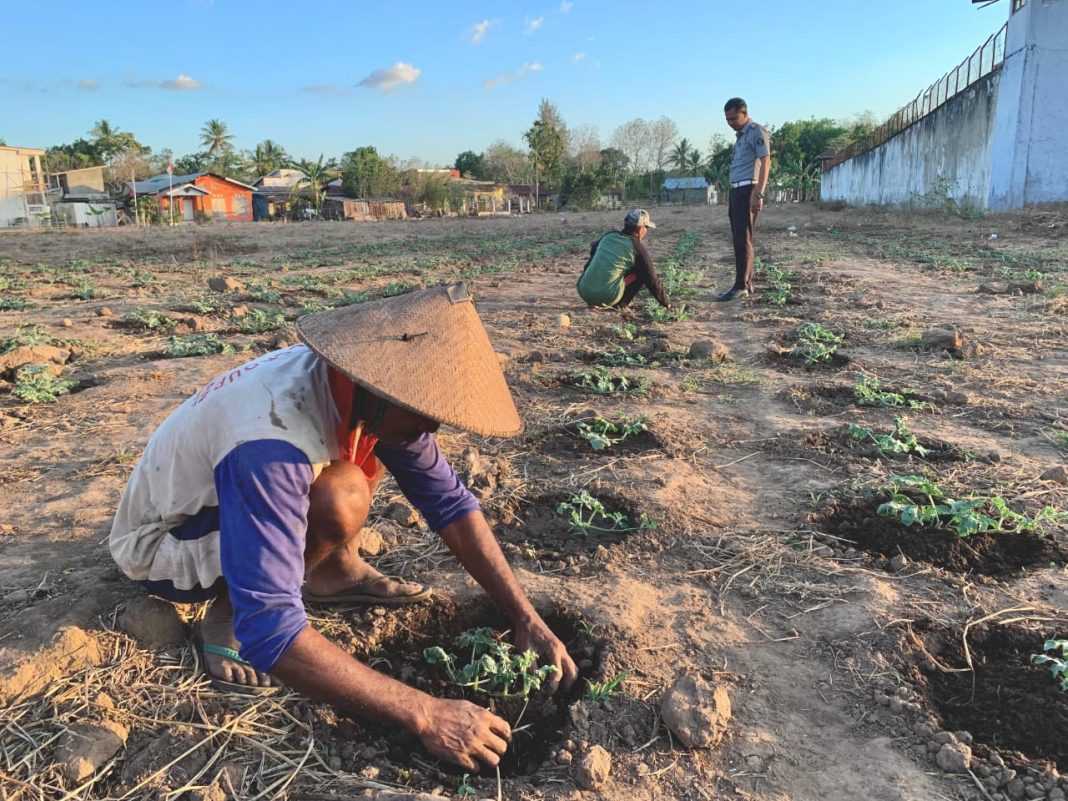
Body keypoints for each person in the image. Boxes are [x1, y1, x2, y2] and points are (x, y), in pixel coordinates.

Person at [109, 283, 578, 773]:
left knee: (348, 481)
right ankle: (225, 613)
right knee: (339, 496)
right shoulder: (270, 442)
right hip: (166, 542)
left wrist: (525, 617)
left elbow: (449, 503)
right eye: (422, 417)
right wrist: (425, 713)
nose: (431, 433)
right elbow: (271, 631)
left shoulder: (364, 391)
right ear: (381, 387)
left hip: (227, 501)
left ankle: (333, 572)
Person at [717, 98, 772, 302]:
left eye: (733, 118)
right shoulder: (741, 136)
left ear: (745, 113)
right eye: (727, 119)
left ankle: (741, 286)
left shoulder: (757, 131)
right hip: (737, 191)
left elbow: (766, 161)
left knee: (743, 239)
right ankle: (746, 283)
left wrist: (758, 193)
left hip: (748, 189)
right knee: (740, 238)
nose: (730, 122)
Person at [576, 208, 671, 310]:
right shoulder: (636, 247)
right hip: (607, 296)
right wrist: (666, 303)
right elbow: (652, 279)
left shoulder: (608, 236)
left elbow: (593, 252)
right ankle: (620, 304)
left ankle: (594, 295)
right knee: (641, 272)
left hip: (584, 290)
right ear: (640, 229)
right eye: (646, 227)